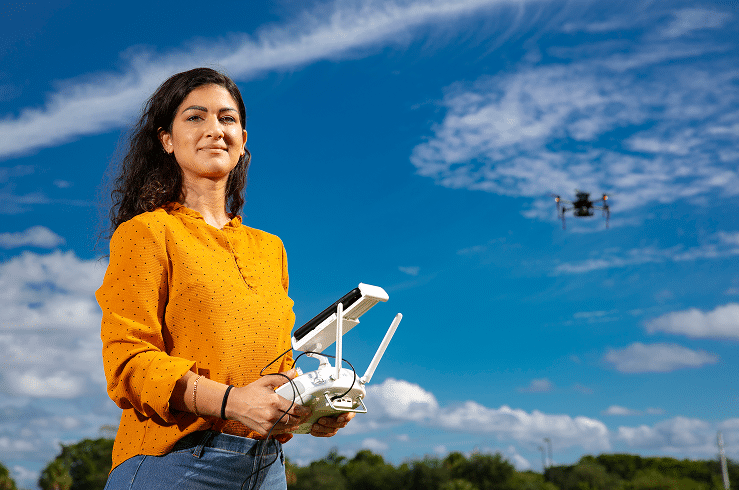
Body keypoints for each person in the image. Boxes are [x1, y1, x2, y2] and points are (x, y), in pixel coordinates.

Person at [97, 67, 354, 490]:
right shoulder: (146, 233)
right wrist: (233, 403)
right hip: (174, 463)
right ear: (166, 139)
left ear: (243, 141)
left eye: (227, 118)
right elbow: (128, 362)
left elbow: (277, 364)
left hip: (266, 467)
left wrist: (310, 404)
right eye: (195, 117)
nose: (214, 130)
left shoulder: (271, 248)